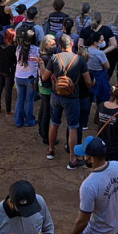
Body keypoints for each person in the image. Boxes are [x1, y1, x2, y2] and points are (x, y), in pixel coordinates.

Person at [63, 136, 118, 234]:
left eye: (85, 156)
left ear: (92, 159)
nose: (83, 158)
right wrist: (112, 196)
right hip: (116, 227)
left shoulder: (89, 185)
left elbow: (83, 221)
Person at [40, 34, 93, 169]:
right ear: (72, 44)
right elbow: (87, 82)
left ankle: (51, 150)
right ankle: (72, 159)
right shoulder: (80, 60)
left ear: (59, 45)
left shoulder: (54, 57)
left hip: (56, 95)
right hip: (72, 98)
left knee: (54, 123)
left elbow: (45, 77)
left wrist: (41, 65)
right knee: (73, 128)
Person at [14, 30, 39, 128]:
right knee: (29, 100)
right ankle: (29, 121)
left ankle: (18, 121)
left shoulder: (18, 49)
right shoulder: (36, 50)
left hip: (19, 77)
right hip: (30, 79)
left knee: (20, 99)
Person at [37, 35, 57, 145]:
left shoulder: (42, 56)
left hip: (42, 86)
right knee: (47, 113)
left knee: (43, 109)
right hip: (47, 87)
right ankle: (45, 137)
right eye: (52, 44)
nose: (55, 46)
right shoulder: (47, 58)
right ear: (46, 45)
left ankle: (41, 131)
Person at [0, 29, 17, 116]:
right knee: (8, 91)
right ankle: (8, 111)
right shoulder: (13, 48)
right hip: (9, 71)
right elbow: (15, 61)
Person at [87, 31, 111, 110]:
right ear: (95, 42)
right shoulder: (100, 53)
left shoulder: (86, 50)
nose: (103, 42)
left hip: (89, 75)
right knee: (103, 97)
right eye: (101, 40)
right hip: (100, 76)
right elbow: (107, 66)